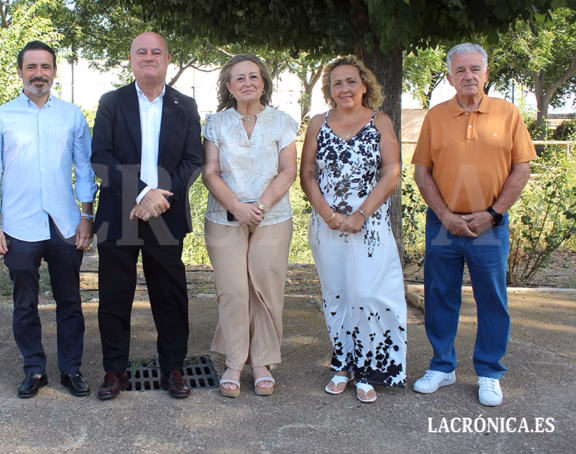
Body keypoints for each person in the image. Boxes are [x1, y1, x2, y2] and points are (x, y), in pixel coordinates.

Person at [411, 43, 536, 406]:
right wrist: (446, 215)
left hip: (489, 224)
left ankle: (489, 372)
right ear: (450, 77)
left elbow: (521, 169)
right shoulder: (435, 117)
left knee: (492, 300)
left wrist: (493, 214)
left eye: (475, 69)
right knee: (439, 297)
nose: (468, 76)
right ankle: (442, 365)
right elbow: (422, 172)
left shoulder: (508, 114)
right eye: (460, 70)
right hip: (442, 223)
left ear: (486, 73)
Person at [0, 41, 98, 399]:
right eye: (31, 67)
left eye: (45, 67)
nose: (38, 74)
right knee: (24, 304)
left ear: (54, 72)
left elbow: (85, 167)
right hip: (18, 225)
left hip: (64, 223)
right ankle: (34, 369)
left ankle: (71, 369)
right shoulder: (0, 117)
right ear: (20, 72)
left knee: (70, 301)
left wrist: (86, 215)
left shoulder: (72, 115)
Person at [91, 31, 203, 400]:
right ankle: (115, 372)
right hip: (117, 213)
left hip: (166, 216)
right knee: (114, 296)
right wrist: (143, 192)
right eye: (141, 51)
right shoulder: (111, 102)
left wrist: (159, 198)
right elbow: (101, 158)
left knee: (170, 297)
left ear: (168, 58)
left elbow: (193, 160)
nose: (149, 56)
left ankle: (173, 369)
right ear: (131, 59)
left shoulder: (184, 106)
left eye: (156, 51)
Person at [300, 55, 407, 403]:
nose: (344, 88)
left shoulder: (381, 122)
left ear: (364, 86)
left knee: (366, 294)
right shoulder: (318, 122)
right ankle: (342, 365)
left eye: (351, 81)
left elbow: (391, 171)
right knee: (336, 296)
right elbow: (307, 174)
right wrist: (327, 213)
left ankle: (368, 368)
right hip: (326, 224)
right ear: (329, 91)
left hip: (369, 225)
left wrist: (361, 213)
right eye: (337, 83)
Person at [201, 54, 297, 398]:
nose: (247, 83)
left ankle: (262, 362)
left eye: (253, 76)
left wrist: (260, 206)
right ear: (229, 86)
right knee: (234, 290)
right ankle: (234, 360)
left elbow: (288, 170)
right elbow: (210, 172)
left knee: (266, 289)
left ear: (263, 83)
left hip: (272, 217)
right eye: (239, 78)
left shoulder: (282, 122)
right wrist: (237, 208)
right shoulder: (215, 124)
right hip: (224, 217)